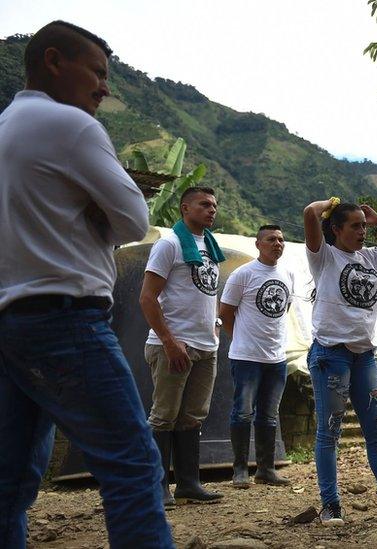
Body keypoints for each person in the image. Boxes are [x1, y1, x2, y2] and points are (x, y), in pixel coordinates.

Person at [0, 20, 173, 548]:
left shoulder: (7, 125)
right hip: (66, 320)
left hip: (12, 323)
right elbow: (131, 218)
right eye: (97, 73)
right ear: (54, 61)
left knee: (10, 482)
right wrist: (99, 207)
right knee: (133, 465)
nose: (104, 87)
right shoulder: (70, 125)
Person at [302, 198, 377, 525]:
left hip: (364, 358)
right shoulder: (324, 257)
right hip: (331, 355)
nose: (361, 231)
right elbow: (309, 214)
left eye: (363, 225)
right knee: (329, 433)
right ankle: (330, 505)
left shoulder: (370, 257)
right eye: (355, 225)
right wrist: (331, 203)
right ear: (336, 229)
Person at [140, 186, 225, 506]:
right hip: (172, 346)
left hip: (206, 347)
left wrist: (215, 326)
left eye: (214, 205)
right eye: (204, 205)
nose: (212, 210)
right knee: (163, 416)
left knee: (192, 417)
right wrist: (169, 341)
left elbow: (209, 292)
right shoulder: (169, 245)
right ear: (185, 208)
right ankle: (157, 486)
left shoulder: (213, 248)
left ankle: (188, 483)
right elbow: (146, 298)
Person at [218, 225, 296, 489]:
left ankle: (266, 469)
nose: (278, 244)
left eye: (281, 240)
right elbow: (226, 311)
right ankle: (240, 469)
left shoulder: (288, 274)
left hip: (276, 358)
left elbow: (284, 310)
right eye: (272, 239)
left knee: (269, 414)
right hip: (246, 356)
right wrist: (240, 337)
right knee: (242, 412)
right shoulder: (242, 274)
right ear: (258, 244)